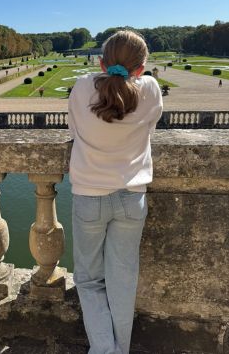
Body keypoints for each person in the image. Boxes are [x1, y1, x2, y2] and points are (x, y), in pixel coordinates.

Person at [68, 30, 163, 354]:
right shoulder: (149, 89)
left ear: (99, 61)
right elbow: (149, 127)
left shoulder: (82, 87)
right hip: (131, 197)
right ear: (141, 68)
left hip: (89, 197)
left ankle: (105, 350)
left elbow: (74, 130)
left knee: (89, 280)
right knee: (123, 283)